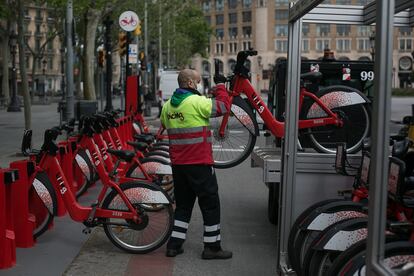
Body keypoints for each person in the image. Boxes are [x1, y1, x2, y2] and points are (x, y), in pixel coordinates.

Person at [160, 69, 232, 260]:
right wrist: (220, 87)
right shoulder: (196, 102)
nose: (199, 85)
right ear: (191, 83)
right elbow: (224, 106)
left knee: (183, 205)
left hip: (179, 165)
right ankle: (212, 247)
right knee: (210, 204)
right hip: (199, 163)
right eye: (198, 81)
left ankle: (174, 246)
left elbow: (164, 125)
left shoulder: (167, 106)